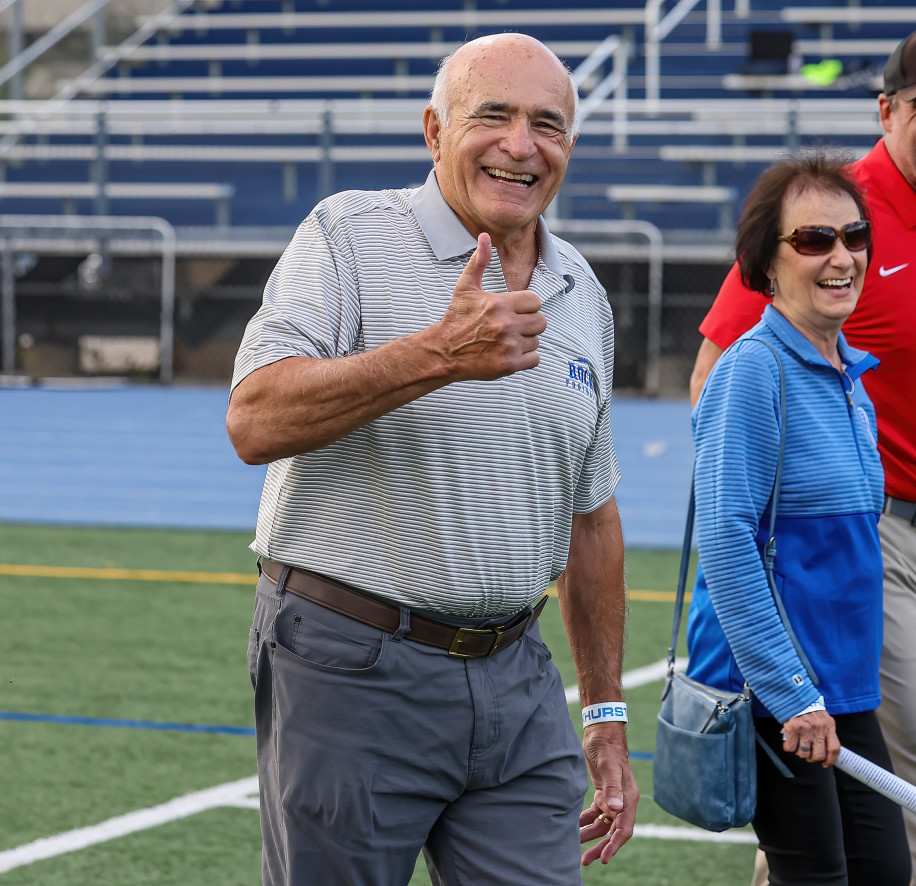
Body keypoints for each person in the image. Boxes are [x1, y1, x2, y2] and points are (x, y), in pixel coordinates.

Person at [226, 32, 639, 886]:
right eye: (494, 115)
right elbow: (254, 419)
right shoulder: (348, 234)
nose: (522, 146)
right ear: (433, 130)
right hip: (353, 667)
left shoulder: (582, 294)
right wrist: (435, 355)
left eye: (548, 125)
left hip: (518, 679)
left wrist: (604, 709)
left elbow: (592, 517)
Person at [690, 26, 916, 886]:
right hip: (851, 537)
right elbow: (716, 376)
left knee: (827, 792)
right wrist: (789, 526)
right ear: (887, 111)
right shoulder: (825, 214)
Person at [688, 150, 910, 885]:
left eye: (854, 238)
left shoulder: (850, 375)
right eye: (814, 240)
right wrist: (791, 695)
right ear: (766, 263)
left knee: (882, 870)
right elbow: (726, 542)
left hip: (842, 691)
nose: (841, 257)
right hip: (777, 696)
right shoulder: (753, 370)